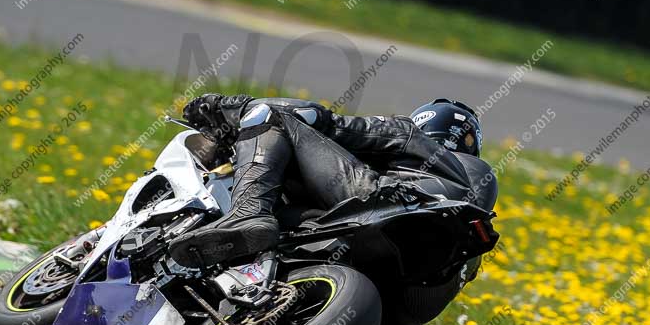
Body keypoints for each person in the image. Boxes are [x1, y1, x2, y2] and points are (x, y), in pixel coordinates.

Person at [168, 94, 495, 269]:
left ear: (423, 123)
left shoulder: (408, 135)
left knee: (272, 116)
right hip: (404, 302)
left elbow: (319, 119)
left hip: (385, 204)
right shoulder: (470, 216)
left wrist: (225, 107)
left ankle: (247, 211)